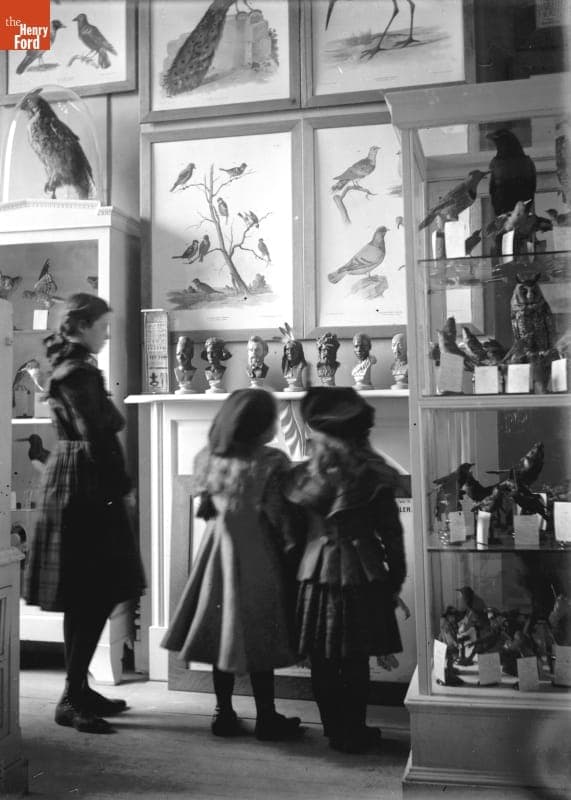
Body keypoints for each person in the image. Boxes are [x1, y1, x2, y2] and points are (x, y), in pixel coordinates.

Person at [23, 293, 146, 734]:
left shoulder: (77, 368)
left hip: (81, 479)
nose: (108, 333)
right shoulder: (77, 372)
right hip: (86, 484)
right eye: (103, 326)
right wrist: (121, 489)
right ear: (81, 326)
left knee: (91, 591)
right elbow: (97, 436)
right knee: (92, 591)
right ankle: (72, 696)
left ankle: (78, 688)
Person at [162, 389, 302, 741]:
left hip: (216, 553)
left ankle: (223, 711)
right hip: (257, 554)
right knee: (261, 633)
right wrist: (293, 549)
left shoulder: (209, 456)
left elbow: (204, 500)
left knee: (218, 629)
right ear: (259, 426)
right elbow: (280, 516)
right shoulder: (272, 462)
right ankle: (266, 717)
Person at [283, 387, 406, 753]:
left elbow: (292, 541)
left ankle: (334, 730)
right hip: (362, 574)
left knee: (322, 658)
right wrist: (395, 579)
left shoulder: (302, 478)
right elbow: (392, 534)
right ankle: (353, 730)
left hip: (313, 575)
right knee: (355, 658)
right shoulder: (375, 478)